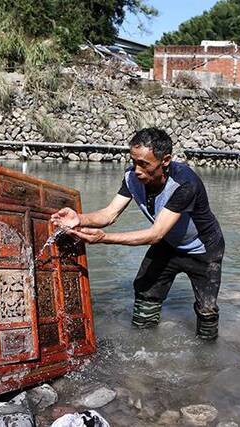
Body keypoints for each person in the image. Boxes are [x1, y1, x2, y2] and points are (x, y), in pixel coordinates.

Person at [51, 128, 225, 340]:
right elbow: (108, 215)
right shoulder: (132, 177)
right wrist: (79, 218)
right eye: (134, 161)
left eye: (145, 164)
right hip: (169, 244)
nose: (137, 170)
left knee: (207, 309)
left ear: (165, 160)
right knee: (144, 292)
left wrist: (104, 239)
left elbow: (155, 234)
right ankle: (144, 344)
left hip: (203, 249)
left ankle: (208, 358)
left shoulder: (184, 183)